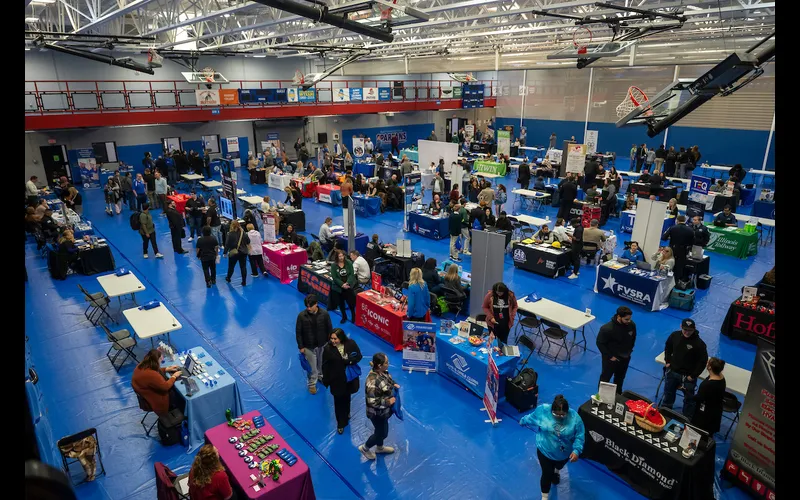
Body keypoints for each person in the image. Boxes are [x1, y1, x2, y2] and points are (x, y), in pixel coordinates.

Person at [519, 394, 584, 500]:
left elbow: (580, 436)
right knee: (547, 474)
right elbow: (532, 417)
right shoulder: (543, 411)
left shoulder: (575, 419)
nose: (559, 417)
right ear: (551, 410)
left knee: (558, 466)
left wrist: (577, 450)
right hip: (544, 450)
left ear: (567, 412)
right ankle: (544, 496)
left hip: (563, 454)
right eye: (556, 414)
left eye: (562, 415)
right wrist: (523, 421)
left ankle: (557, 470)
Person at [662, 318, 709, 416]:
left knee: (689, 399)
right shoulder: (674, 336)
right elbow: (668, 347)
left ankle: (686, 418)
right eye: (685, 330)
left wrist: (693, 375)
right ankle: (665, 413)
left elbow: (703, 361)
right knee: (668, 393)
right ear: (681, 327)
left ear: (694, 329)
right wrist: (667, 361)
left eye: (690, 330)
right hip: (672, 371)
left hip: (688, 376)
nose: (687, 332)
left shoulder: (699, 344)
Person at [321, 328, 363, 435]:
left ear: (341, 337)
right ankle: (340, 423)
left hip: (349, 379)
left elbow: (358, 356)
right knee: (338, 402)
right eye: (331, 339)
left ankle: (347, 413)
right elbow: (325, 365)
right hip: (336, 380)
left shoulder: (351, 343)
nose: (333, 341)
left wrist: (349, 361)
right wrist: (326, 380)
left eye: (335, 339)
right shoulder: (327, 349)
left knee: (347, 397)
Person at [358, 352, 399, 460]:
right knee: (382, 433)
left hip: (383, 412)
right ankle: (365, 448)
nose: (388, 364)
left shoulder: (382, 372)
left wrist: (393, 383)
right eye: (386, 362)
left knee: (380, 430)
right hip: (376, 413)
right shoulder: (372, 382)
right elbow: (372, 401)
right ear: (380, 365)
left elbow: (388, 379)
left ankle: (379, 448)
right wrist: (388, 402)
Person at [296, 294, 333, 395]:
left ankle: (320, 377)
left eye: (310, 306)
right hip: (308, 346)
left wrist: (330, 342)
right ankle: (312, 384)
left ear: (316, 304)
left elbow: (329, 329)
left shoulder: (324, 314)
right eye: (306, 306)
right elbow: (298, 332)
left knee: (321, 364)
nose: (308, 308)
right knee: (312, 368)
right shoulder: (301, 316)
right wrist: (301, 346)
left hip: (322, 344)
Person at [130, 349, 182, 418]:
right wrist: (174, 376)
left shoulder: (142, 365)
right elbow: (165, 387)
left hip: (145, 395)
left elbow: (153, 369)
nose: (161, 361)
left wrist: (166, 369)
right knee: (176, 394)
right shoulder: (151, 375)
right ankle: (179, 411)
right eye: (160, 359)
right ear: (157, 360)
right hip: (157, 401)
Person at [596, 306, 637, 393]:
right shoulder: (607, 329)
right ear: (619, 317)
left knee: (620, 378)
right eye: (626, 319)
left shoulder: (631, 325)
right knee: (605, 378)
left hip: (625, 358)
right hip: (611, 359)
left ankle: (618, 395)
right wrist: (610, 356)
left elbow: (633, 338)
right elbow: (600, 343)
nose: (629, 321)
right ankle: (600, 396)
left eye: (629, 319)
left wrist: (629, 351)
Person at [687, 357, 727, 434]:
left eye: (708, 362)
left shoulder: (707, 385)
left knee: (699, 433)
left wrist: (687, 393)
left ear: (709, 367)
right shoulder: (721, 377)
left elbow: (699, 398)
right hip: (716, 410)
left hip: (705, 414)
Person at [661, 215, 694, 279]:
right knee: (680, 265)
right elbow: (692, 242)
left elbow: (663, 237)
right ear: (685, 220)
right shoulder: (690, 230)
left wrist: (670, 237)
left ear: (677, 220)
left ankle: (667, 277)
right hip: (683, 250)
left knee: (670, 263)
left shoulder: (672, 228)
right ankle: (677, 279)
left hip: (672, 249)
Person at [331, 250, 357, 324]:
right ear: (337, 257)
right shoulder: (333, 265)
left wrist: (347, 283)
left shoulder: (348, 262)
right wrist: (342, 284)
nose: (341, 258)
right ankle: (344, 316)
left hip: (348, 287)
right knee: (341, 303)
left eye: (342, 256)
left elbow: (352, 274)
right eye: (339, 256)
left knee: (351, 303)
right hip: (338, 288)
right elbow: (334, 277)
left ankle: (353, 316)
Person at [224, 220, 250, 285]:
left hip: (234, 252)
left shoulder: (230, 234)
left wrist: (225, 252)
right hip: (243, 252)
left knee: (231, 266)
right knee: (243, 267)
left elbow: (227, 244)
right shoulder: (243, 233)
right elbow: (248, 241)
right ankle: (244, 281)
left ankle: (228, 278)